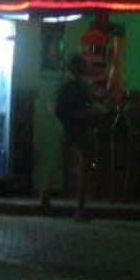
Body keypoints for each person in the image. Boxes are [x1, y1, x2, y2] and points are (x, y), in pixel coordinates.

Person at [50, 55, 95, 220]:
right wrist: (87, 113)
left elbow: (58, 110)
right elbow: (87, 106)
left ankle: (46, 194)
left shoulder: (69, 87)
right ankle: (79, 209)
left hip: (71, 131)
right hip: (77, 131)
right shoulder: (79, 87)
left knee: (65, 166)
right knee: (79, 170)